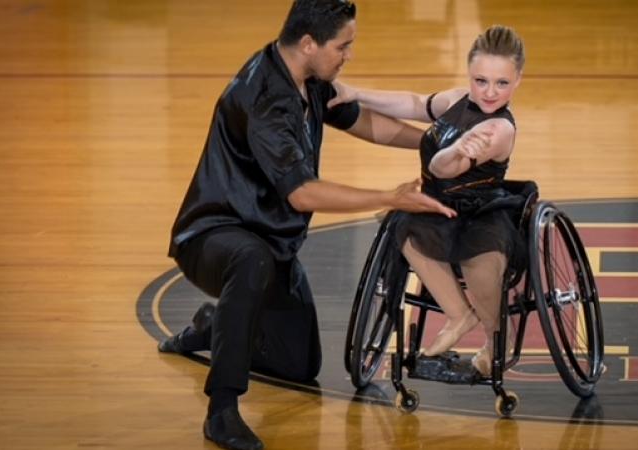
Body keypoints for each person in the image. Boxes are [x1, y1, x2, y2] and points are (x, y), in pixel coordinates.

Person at [157, 2, 456, 450]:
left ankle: (214, 325)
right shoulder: (265, 99)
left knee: (298, 364)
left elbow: (363, 122)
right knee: (250, 259)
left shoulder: (311, 78)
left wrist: (437, 145)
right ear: (309, 43)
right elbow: (301, 193)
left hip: (269, 241)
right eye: (344, 46)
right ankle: (221, 410)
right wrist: (389, 198)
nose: (348, 55)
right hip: (212, 236)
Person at [329, 25, 526, 378]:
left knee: (477, 260)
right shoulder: (456, 100)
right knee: (401, 225)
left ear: (518, 80)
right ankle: (458, 314)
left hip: (480, 212)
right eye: (481, 80)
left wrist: (456, 150)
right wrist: (355, 93)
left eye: (501, 83)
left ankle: (500, 339)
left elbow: (442, 167)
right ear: (469, 74)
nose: (490, 92)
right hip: (439, 204)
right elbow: (416, 103)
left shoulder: (499, 130)